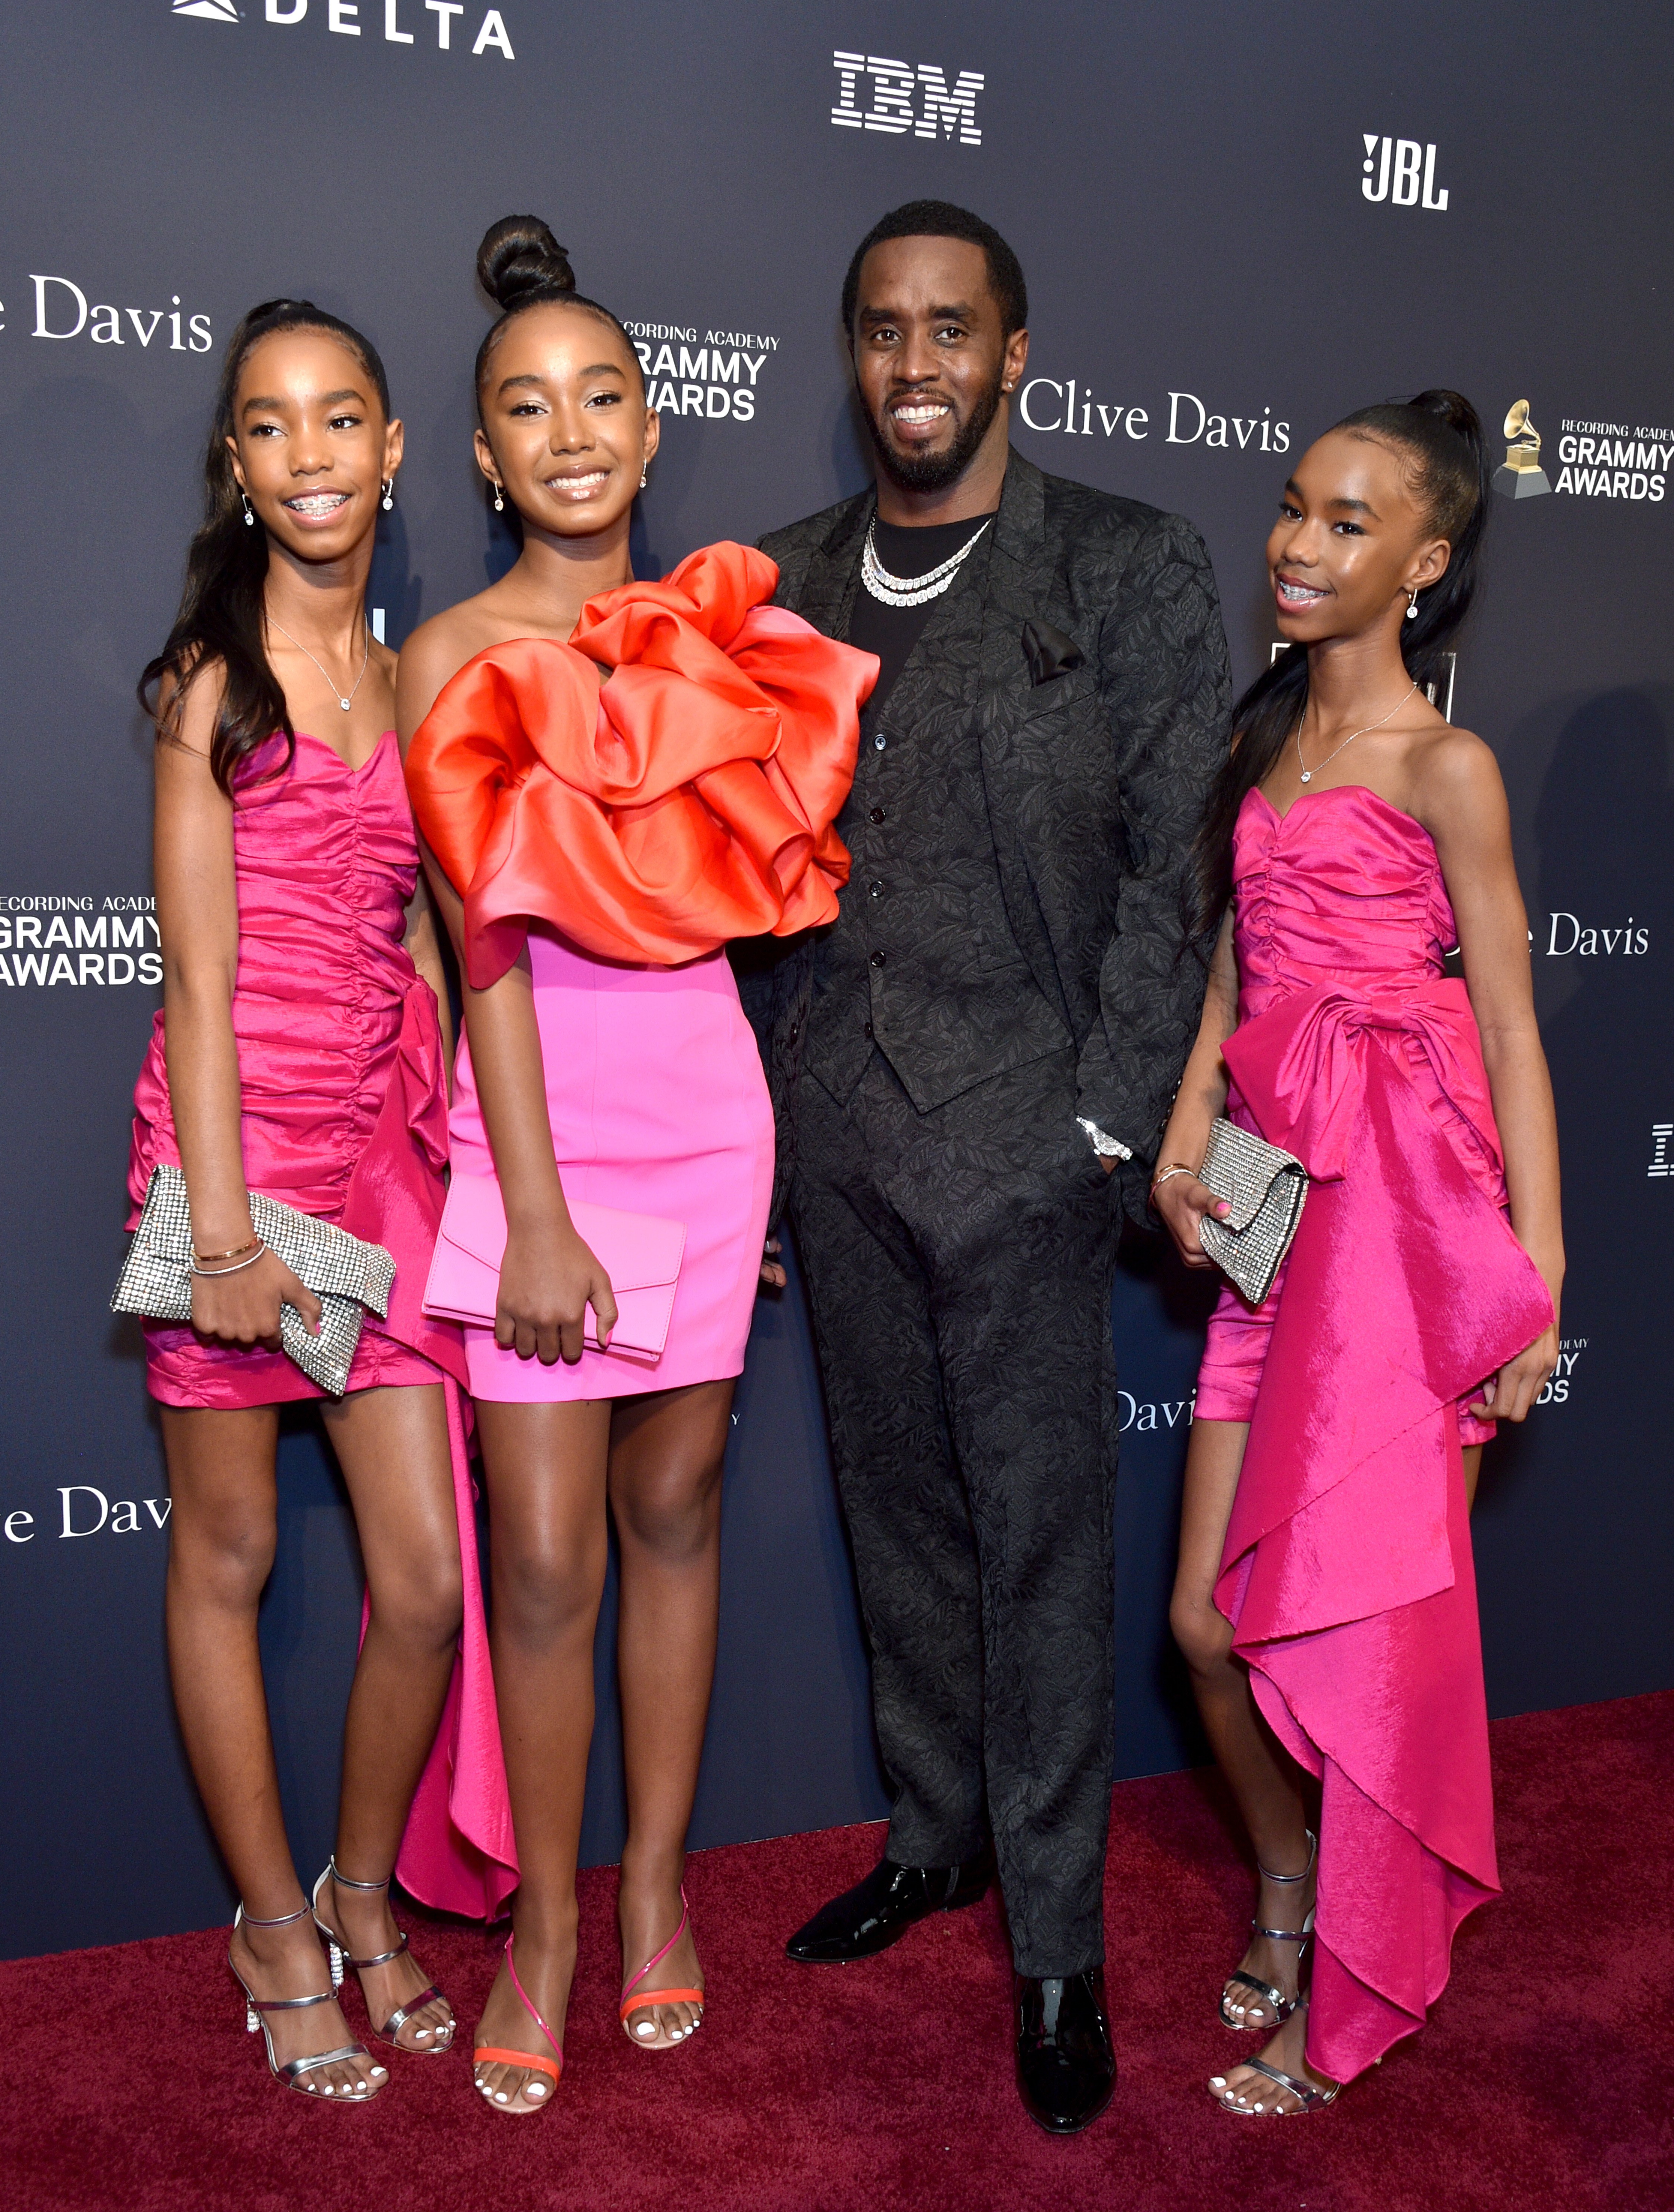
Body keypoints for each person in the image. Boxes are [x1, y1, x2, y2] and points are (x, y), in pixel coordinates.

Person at [736, 199, 1231, 2134]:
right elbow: (720, 886)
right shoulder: (773, 587)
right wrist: (767, 1146)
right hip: (839, 1127)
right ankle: (931, 1837)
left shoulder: (1123, 567)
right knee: (897, 1510)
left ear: (1013, 353)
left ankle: (1054, 1946)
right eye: (881, 327)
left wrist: (1105, 1123)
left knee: (1037, 1543)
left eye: (952, 327)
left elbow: (1174, 875)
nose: (914, 361)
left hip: (1034, 1131)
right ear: (848, 352)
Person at [396, 216, 871, 2117]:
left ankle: (659, 1891)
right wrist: (531, 1208)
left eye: (603, 394)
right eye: (529, 406)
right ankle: (547, 1932)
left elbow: (751, 922)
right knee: (538, 1556)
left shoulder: (722, 641)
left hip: (707, 1117)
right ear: (488, 457)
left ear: (654, 429)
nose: (571, 430)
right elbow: (482, 952)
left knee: (673, 1522)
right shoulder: (450, 651)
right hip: (542, 1134)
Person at [1156, 391, 1562, 2116]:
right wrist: (1185, 1133)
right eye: (1292, 509)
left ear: (1426, 560)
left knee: (1372, 1635)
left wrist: (1532, 1277)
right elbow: (1236, 985)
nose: (1298, 545)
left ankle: (1351, 1990)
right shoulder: (1264, 749)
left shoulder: (1441, 766)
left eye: (1343, 522)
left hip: (1403, 1240)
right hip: (1271, 1214)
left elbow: (1515, 1030)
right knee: (1203, 1624)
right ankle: (1286, 1877)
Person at [131, 300, 512, 2104]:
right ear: (239, 465)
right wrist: (217, 1238)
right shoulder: (216, 686)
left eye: (339, 420)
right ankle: (270, 1923)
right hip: (234, 1159)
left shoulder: (414, 677)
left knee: (425, 1584)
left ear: (392, 451)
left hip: (379, 1159)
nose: (308, 457)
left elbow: (450, 936)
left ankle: (364, 1890)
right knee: (233, 1555)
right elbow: (197, 982)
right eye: (270, 428)